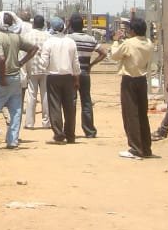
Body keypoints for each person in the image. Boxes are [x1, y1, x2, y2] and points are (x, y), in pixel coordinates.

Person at [0, 10, 37, 150]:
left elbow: (1, 59)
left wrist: (2, 78)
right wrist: (21, 62)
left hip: (3, 78)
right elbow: (34, 48)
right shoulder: (16, 37)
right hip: (16, 77)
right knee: (15, 111)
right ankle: (12, 141)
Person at [110, 17, 153, 159]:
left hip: (129, 80)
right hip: (142, 80)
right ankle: (146, 147)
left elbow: (115, 55)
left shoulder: (128, 43)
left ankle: (135, 149)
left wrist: (116, 40)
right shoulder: (148, 43)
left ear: (133, 31)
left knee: (130, 115)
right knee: (142, 114)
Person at [39, 16, 80, 144]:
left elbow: (44, 63)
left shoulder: (48, 43)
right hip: (68, 77)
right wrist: (76, 79)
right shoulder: (70, 42)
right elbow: (76, 64)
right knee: (69, 107)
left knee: (55, 106)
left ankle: (59, 134)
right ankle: (70, 135)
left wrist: (41, 62)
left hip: (53, 77)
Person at [68, 14, 106, 138]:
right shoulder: (91, 39)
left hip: (72, 74)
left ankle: (70, 130)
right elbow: (103, 53)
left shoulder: (68, 39)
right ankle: (89, 131)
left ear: (71, 26)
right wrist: (91, 64)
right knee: (86, 101)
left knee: (71, 102)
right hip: (85, 72)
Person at [21, 14, 50, 131]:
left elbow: (23, 54)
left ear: (33, 24)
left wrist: (23, 70)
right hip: (46, 69)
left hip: (32, 68)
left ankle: (29, 123)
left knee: (31, 96)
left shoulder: (27, 36)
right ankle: (46, 122)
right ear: (43, 24)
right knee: (46, 95)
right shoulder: (48, 36)